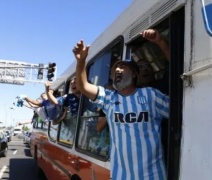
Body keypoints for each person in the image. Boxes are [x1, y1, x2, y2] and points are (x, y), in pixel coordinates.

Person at [73, 40, 169, 179]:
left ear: (135, 74)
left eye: (122, 67)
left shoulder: (151, 95)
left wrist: (161, 43)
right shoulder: (108, 98)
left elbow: (182, 112)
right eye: (114, 70)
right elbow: (83, 86)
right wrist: (81, 62)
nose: (117, 70)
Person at [138, 29, 170, 95]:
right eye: (140, 67)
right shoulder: (132, 94)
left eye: (147, 65)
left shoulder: (162, 84)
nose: (145, 69)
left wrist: (160, 41)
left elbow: (171, 62)